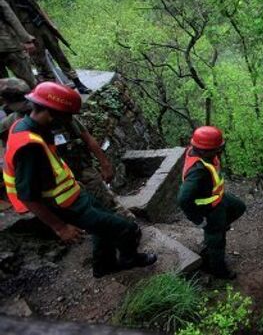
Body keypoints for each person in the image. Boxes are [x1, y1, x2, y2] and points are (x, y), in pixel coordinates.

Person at [2, 82, 156, 278]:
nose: (68, 121)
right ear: (51, 113)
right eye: (67, 116)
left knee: (103, 230)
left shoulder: (29, 127)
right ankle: (129, 259)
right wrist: (60, 227)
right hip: (65, 206)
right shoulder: (29, 146)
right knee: (127, 229)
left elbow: (51, 169)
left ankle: (104, 266)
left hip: (74, 195)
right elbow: (28, 196)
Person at [0, 77, 134, 219]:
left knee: (108, 204)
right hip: (53, 182)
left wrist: (105, 163)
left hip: (80, 168)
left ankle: (126, 224)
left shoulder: (59, 112)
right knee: (85, 214)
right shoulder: (11, 125)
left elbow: (86, 137)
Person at [177, 126, 246, 279]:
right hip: (208, 208)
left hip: (217, 198)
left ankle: (216, 230)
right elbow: (183, 198)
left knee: (239, 207)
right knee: (217, 242)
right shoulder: (198, 171)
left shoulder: (202, 154)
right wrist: (198, 220)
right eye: (217, 149)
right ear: (205, 150)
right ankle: (218, 270)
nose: (220, 151)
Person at [0, 0, 91, 93]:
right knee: (40, 61)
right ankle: (53, 90)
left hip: (40, 22)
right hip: (26, 29)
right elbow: (9, 19)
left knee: (58, 53)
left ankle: (77, 82)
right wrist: (24, 39)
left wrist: (51, 24)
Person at [0, 0, 36, 88]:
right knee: (28, 81)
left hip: (8, 44)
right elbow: (9, 15)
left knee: (2, 90)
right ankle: (37, 101)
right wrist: (26, 39)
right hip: (8, 44)